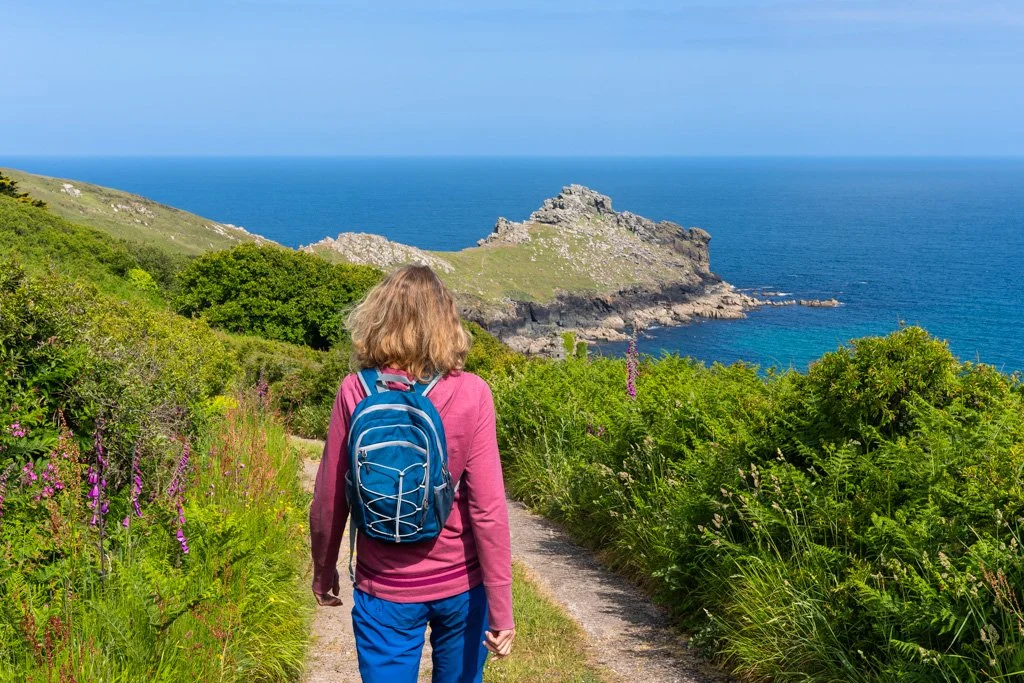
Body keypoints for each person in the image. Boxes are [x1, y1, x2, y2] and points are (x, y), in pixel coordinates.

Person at [309, 264, 515, 683]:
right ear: (447, 321)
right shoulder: (472, 391)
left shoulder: (355, 389)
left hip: (383, 588)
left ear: (378, 317)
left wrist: (323, 568)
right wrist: (501, 606)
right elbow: (488, 509)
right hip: (461, 586)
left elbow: (331, 497)